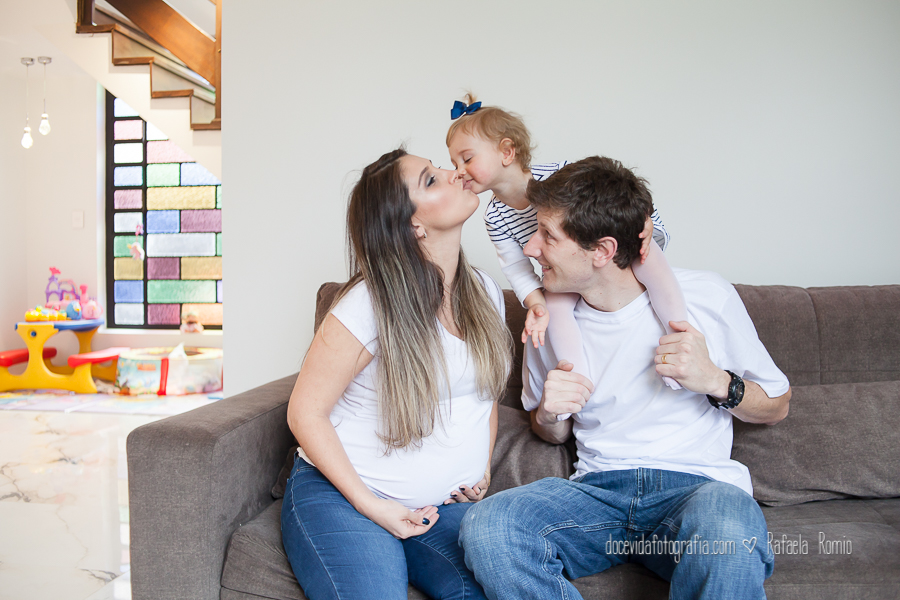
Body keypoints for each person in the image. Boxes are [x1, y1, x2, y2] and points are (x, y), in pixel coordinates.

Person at [458, 156, 792, 600]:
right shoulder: (547, 324)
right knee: (489, 525)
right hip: (597, 493)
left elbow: (778, 404)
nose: (529, 249)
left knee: (729, 526)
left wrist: (716, 380)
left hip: (697, 492)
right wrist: (551, 413)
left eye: (548, 236)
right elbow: (550, 432)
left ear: (602, 251)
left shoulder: (706, 296)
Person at [281, 148, 512, 600]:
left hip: (441, 511)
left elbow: (484, 398)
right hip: (345, 500)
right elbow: (305, 413)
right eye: (431, 180)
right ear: (413, 225)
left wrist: (481, 468)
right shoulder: (367, 305)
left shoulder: (485, 291)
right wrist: (374, 507)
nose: (454, 172)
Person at [446, 94, 687, 395]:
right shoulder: (495, 216)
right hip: (564, 274)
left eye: (467, 159)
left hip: (617, 249)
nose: (457, 170)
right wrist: (536, 304)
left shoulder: (559, 174)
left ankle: (681, 338)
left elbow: (614, 196)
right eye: (454, 162)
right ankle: (577, 382)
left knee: (650, 262)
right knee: (555, 310)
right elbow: (517, 268)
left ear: (507, 151)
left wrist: (645, 222)